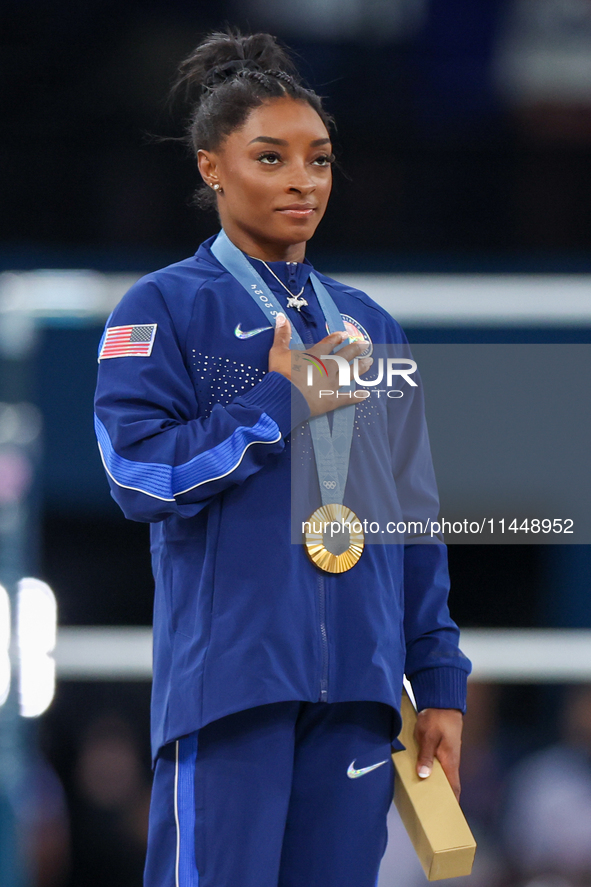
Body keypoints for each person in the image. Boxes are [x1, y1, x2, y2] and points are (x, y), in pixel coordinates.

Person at [94, 29, 471, 887]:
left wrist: (437, 675)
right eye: (271, 157)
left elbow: (412, 515)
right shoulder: (163, 307)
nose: (302, 180)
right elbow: (135, 471)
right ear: (211, 169)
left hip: (360, 696)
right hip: (231, 687)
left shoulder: (371, 324)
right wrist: (282, 403)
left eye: (320, 160)